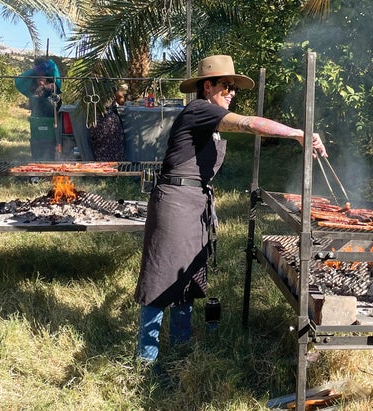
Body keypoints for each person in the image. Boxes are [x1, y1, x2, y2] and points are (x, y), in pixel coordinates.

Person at [134, 54, 327, 364]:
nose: (233, 92)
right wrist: (297, 133)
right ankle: (147, 361)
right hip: (174, 205)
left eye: (234, 86)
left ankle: (181, 351)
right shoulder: (199, 110)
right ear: (208, 86)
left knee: (188, 278)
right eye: (227, 85)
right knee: (161, 279)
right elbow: (248, 124)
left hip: (195, 204)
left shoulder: (209, 121)